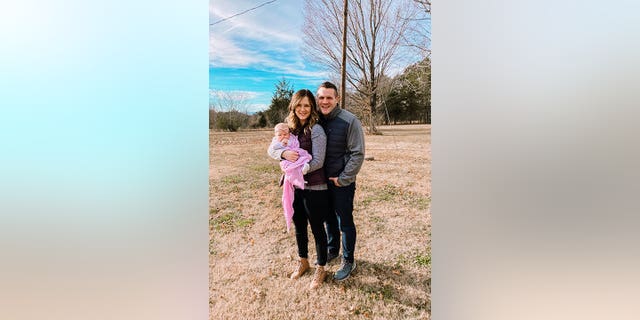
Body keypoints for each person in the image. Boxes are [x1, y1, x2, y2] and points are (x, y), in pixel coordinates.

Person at [267, 89, 330, 289]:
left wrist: (301, 169)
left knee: (317, 228)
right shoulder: (289, 129)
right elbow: (271, 149)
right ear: (293, 107)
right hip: (294, 187)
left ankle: (321, 268)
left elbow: (319, 160)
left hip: (315, 186)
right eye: (299, 105)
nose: (303, 109)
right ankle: (303, 261)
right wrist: (284, 153)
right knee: (299, 225)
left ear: (312, 107)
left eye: (307, 105)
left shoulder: (317, 129)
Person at [316, 81, 365, 281]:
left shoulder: (350, 120)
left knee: (344, 221)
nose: (325, 101)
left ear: (337, 99)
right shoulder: (315, 119)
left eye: (329, 97)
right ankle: (332, 249)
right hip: (320, 181)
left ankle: (348, 259)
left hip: (341, 183)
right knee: (328, 218)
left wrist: (344, 179)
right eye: (321, 97)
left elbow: (358, 153)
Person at [267, 122, 312, 232]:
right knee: (289, 166)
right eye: (279, 135)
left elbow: (296, 143)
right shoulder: (276, 141)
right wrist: (283, 151)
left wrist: (291, 144)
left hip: (297, 155)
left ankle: (303, 167)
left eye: (285, 134)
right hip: (287, 162)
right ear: (275, 135)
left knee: (304, 155)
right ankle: (295, 176)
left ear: (289, 132)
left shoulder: (292, 136)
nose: (282, 137)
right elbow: (271, 150)